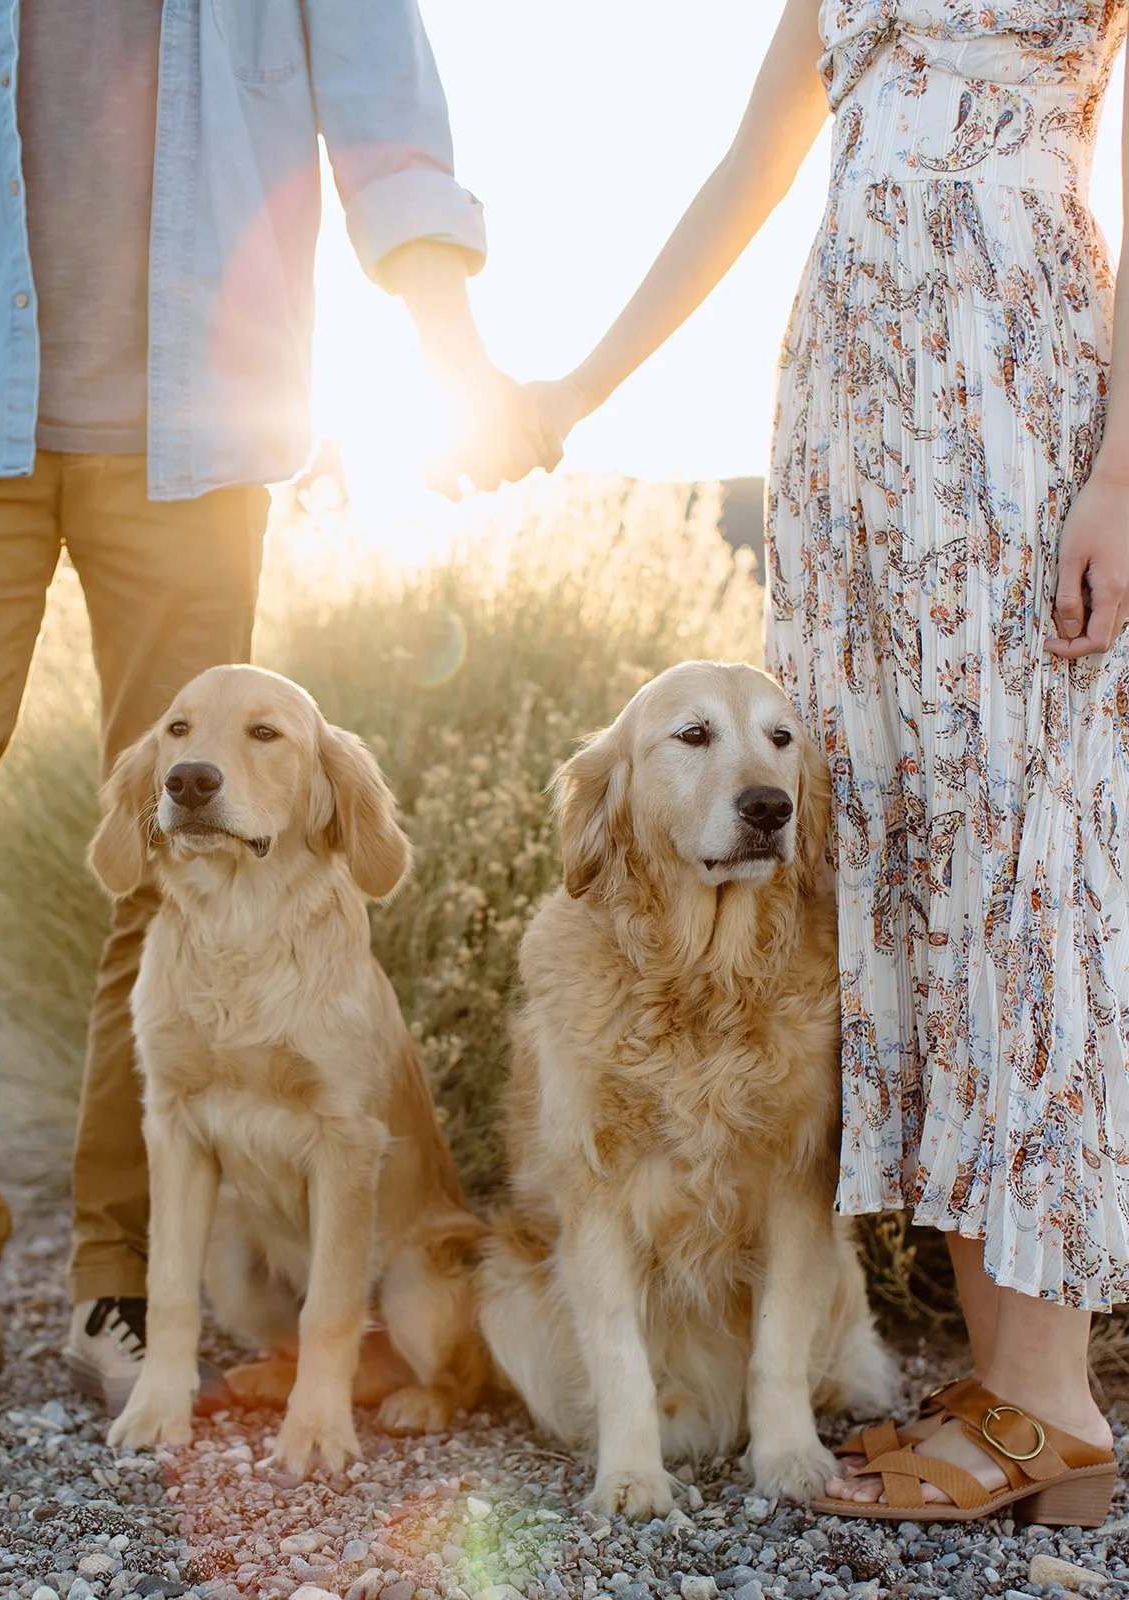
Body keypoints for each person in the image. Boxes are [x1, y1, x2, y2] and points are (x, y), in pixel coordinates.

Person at [0, 0, 549, 1420]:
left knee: (176, 869)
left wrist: (450, 349)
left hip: (194, 428)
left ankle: (119, 1271)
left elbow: (382, 101)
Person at [506, 0, 1129, 1519]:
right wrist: (577, 386)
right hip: (848, 410)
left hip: (1015, 386)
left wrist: (1120, 470)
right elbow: (750, 168)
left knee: (1022, 870)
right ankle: (1006, 1401)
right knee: (896, 872)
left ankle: (1054, 1407)